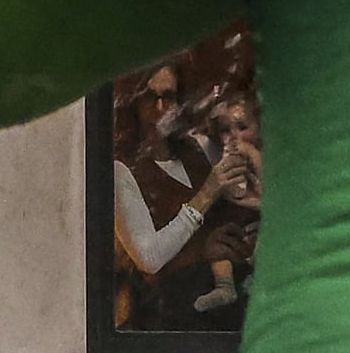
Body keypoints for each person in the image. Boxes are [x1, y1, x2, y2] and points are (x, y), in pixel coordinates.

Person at [111, 62, 252, 330]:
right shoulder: (122, 170)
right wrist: (207, 194)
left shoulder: (200, 148)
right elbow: (149, 258)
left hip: (220, 310)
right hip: (165, 319)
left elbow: (238, 199)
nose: (161, 109)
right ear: (133, 105)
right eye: (151, 99)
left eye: (170, 98)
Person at [193, 94, 263, 315]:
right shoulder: (220, 158)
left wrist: (253, 156)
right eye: (226, 130)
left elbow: (269, 187)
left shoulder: (263, 156)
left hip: (262, 225)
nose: (234, 137)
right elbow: (229, 191)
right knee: (216, 247)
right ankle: (225, 286)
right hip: (234, 224)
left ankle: (259, 278)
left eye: (242, 127)